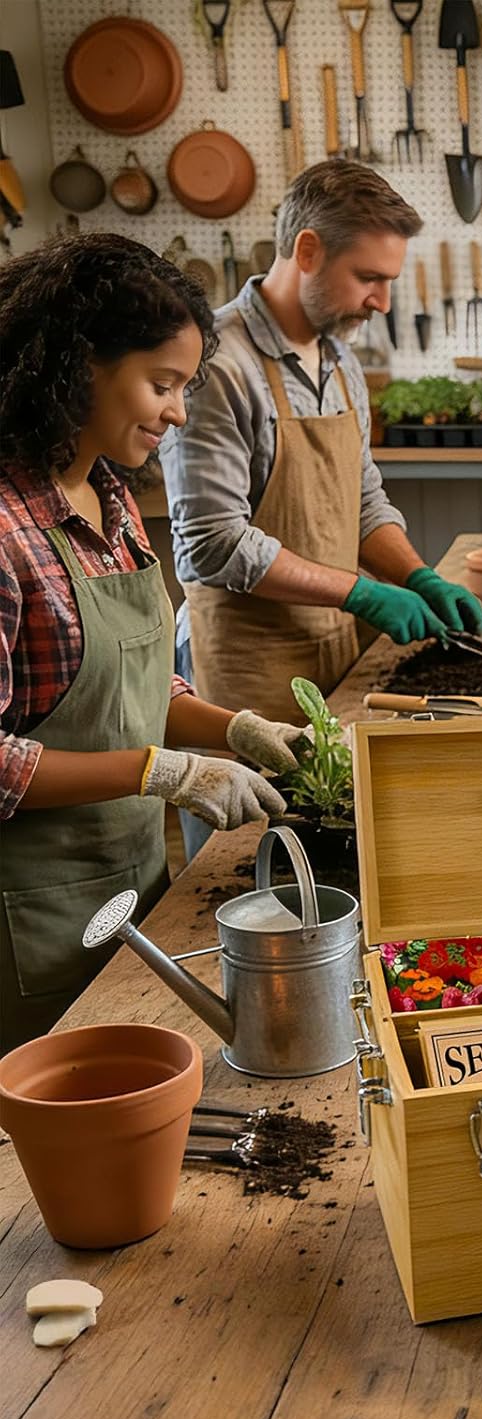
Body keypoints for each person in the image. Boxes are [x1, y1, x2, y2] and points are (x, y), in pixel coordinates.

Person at [0, 235, 309, 1049]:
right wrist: (159, 771)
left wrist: (237, 729)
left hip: (133, 891)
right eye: (161, 384)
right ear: (77, 366)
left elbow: (131, 688)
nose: (177, 413)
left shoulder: (111, 497)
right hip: (30, 924)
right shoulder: (5, 530)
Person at [164, 160, 482, 729]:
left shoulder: (340, 360)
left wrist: (418, 576)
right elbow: (211, 545)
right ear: (307, 250)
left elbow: (363, 503)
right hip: (248, 674)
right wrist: (361, 593)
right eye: (368, 278)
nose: (383, 302)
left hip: (336, 656)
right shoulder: (218, 365)